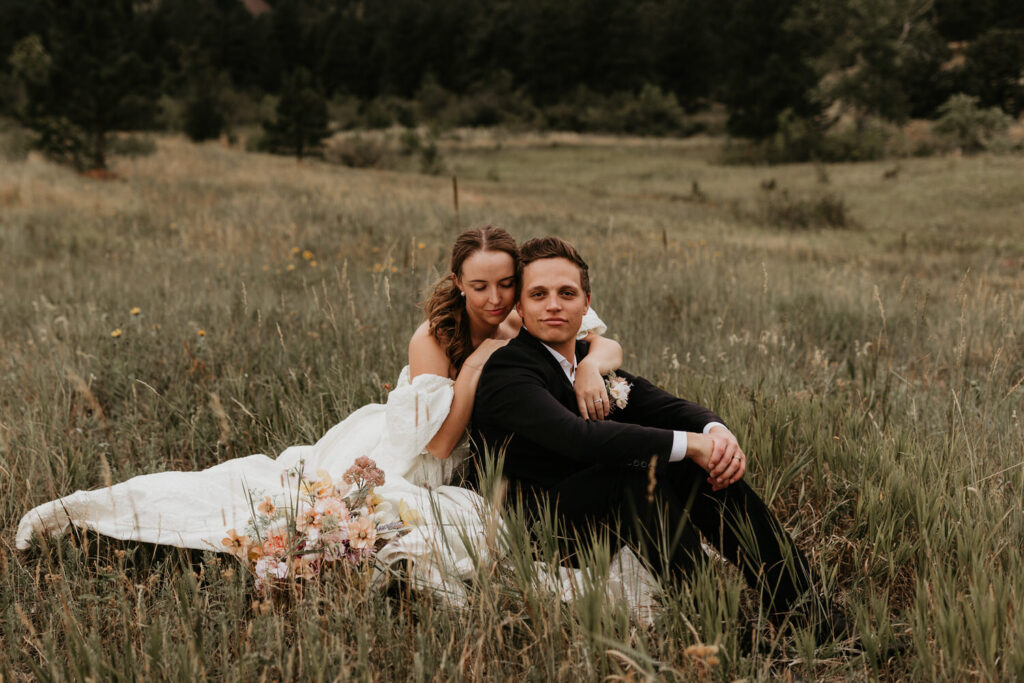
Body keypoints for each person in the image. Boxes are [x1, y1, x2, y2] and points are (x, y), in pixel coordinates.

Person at [15, 226, 622, 604]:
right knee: (321, 510)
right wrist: (476, 365)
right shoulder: (435, 337)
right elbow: (436, 448)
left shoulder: (536, 307)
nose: (495, 300)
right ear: (459, 284)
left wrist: (594, 367)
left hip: (473, 455)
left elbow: (604, 341)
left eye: (506, 284)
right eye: (480, 286)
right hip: (408, 454)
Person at [472, 236, 833, 634]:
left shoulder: (589, 365)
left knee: (700, 466)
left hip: (603, 509)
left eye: (567, 293)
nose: (554, 304)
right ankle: (719, 629)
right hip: (542, 529)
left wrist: (716, 434)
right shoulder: (509, 370)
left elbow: (665, 406)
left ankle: (805, 612)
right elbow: (578, 438)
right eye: (539, 294)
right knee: (640, 470)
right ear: (520, 307)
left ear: (586, 302)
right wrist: (690, 444)